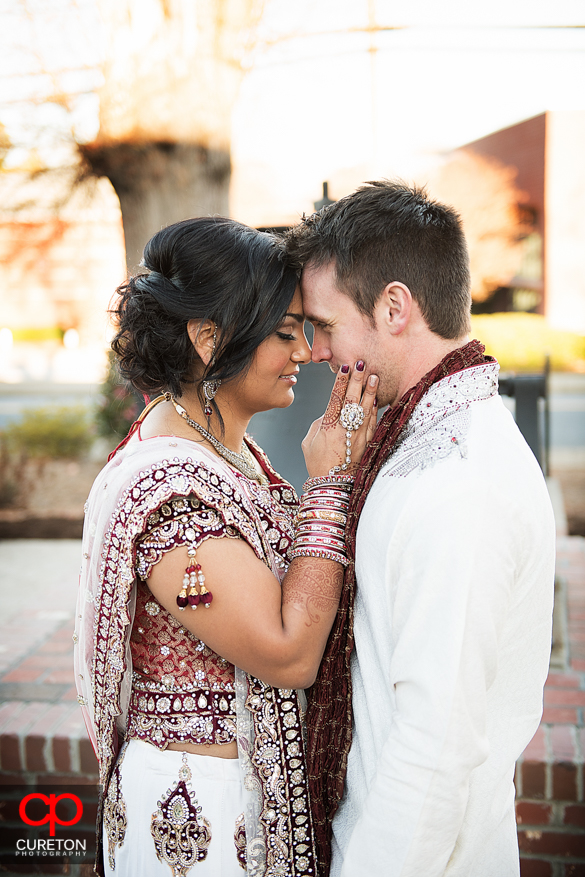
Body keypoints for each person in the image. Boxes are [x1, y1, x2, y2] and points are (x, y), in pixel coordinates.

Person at [73, 216, 379, 877]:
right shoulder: (171, 492)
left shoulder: (225, 449)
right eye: (281, 332)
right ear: (209, 339)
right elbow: (288, 652)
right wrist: (328, 485)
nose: (303, 351)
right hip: (198, 821)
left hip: (236, 800)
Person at [285, 181, 556, 877]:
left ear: (394, 306)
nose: (315, 350)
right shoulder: (415, 442)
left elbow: (434, 748)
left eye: (324, 323)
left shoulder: (459, 477)